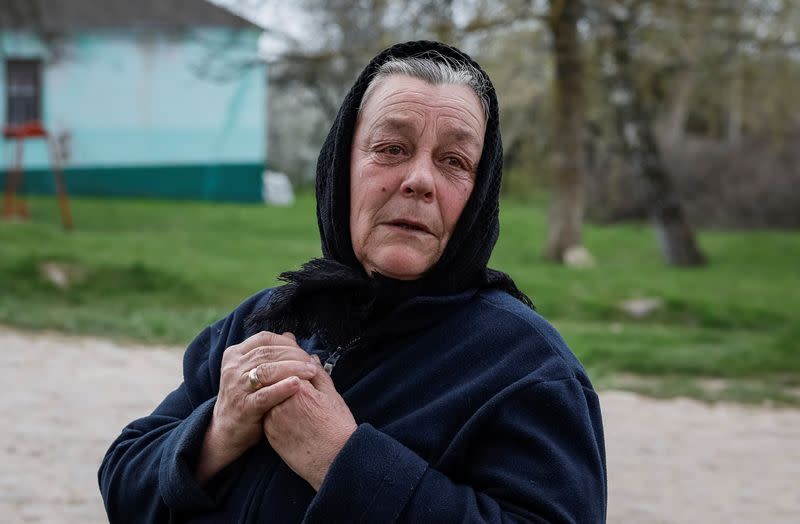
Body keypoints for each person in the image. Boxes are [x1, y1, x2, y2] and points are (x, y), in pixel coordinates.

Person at [99, 40, 607, 523]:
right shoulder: (269, 320)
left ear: (479, 193)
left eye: (454, 161)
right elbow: (123, 481)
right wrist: (216, 433)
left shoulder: (525, 369)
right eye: (390, 148)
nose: (419, 181)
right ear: (341, 167)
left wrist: (341, 458)